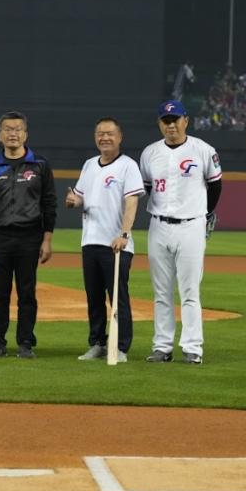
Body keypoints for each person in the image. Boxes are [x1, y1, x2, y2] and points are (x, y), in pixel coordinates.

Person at [138, 100, 222, 365]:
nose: (171, 125)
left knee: (189, 291)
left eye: (175, 119)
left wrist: (206, 214)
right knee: (161, 292)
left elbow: (215, 185)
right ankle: (162, 347)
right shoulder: (150, 153)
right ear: (159, 123)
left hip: (191, 226)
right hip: (159, 225)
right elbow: (148, 188)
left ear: (186, 120)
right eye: (166, 120)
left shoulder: (203, 150)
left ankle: (192, 347)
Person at [0, 111, 57, 359]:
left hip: (29, 236)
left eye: (17, 129)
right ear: (0, 135)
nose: (13, 133)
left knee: (27, 292)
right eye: (7, 129)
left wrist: (47, 239)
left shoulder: (39, 165)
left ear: (25, 134)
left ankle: (25, 343)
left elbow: (49, 203)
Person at [65, 117, 145, 363]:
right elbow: (80, 197)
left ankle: (120, 347)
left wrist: (124, 234)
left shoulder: (128, 166)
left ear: (119, 137)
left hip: (115, 244)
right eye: (100, 133)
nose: (105, 137)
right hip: (90, 241)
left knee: (118, 297)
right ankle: (97, 342)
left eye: (110, 133)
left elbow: (132, 202)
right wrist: (74, 201)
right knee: (94, 297)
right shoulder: (89, 165)